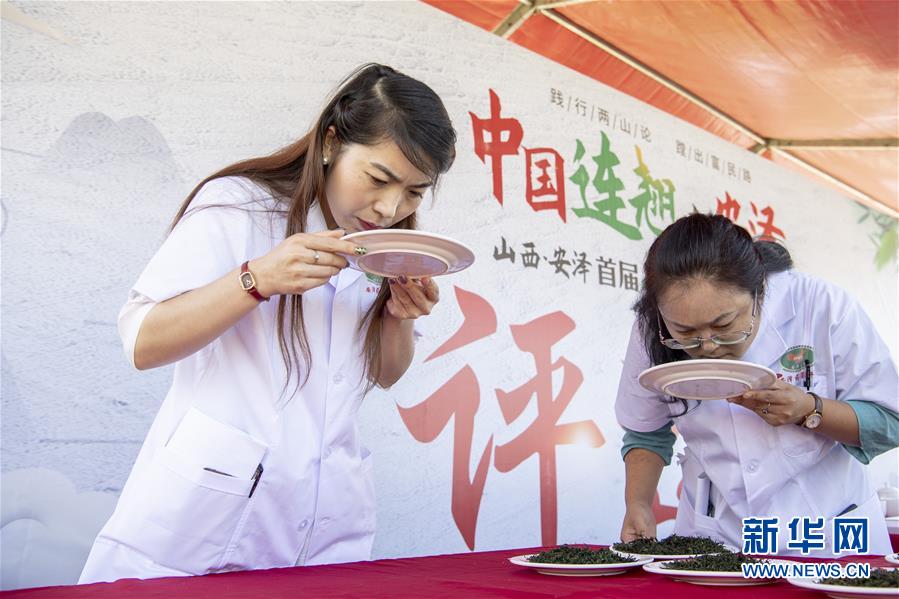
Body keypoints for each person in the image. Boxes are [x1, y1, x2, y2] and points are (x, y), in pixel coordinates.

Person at [79, 63, 456, 582]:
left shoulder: (385, 248)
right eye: (378, 178)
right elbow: (143, 342)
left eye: (415, 192)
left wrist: (397, 319)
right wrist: (257, 279)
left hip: (325, 526)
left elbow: (386, 374)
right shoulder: (238, 207)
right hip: (202, 523)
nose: (391, 207)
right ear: (330, 142)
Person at [615, 213, 898, 556]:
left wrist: (810, 409)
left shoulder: (821, 306)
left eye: (724, 324)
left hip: (827, 531)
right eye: (685, 332)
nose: (707, 346)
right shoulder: (650, 331)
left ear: (759, 289)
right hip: (715, 537)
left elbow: (889, 421)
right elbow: (646, 430)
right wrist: (639, 504)